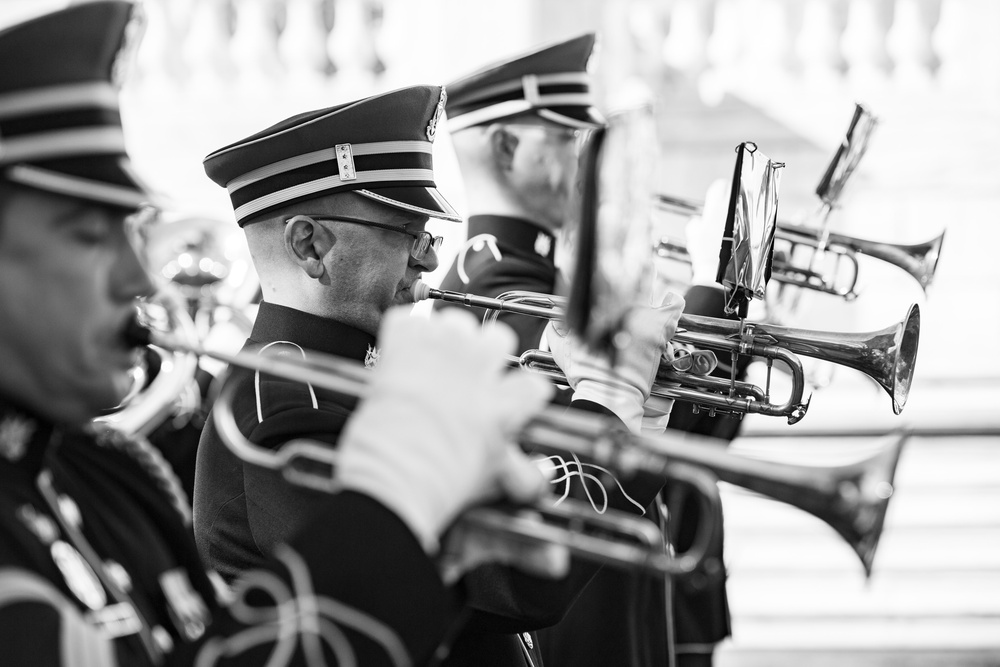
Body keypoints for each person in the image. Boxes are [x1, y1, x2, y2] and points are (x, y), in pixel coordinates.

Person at [0, 4, 569, 665]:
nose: (139, 276)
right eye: (86, 234)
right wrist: (396, 516)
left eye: (130, 233)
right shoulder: (276, 402)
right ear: (308, 243)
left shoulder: (106, 476)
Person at [432, 34, 605, 354]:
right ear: (506, 147)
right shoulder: (492, 282)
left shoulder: (515, 267)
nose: (582, 160)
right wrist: (707, 286)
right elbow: (594, 387)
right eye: (568, 138)